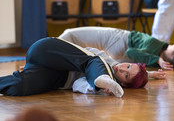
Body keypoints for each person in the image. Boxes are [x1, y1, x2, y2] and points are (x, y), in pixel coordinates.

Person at [0, 37, 165, 97]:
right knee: (95, 61)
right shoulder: (104, 59)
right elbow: (109, 63)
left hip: (53, 75)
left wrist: (97, 89)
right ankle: (102, 78)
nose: (122, 69)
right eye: (127, 66)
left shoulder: (97, 83)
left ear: (124, 84)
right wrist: (148, 74)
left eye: (126, 75)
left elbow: (79, 86)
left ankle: (101, 81)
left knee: (20, 86)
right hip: (47, 51)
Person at [59, 26, 174, 70]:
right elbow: (132, 52)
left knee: (70, 37)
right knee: (70, 36)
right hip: (118, 41)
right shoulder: (156, 47)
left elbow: (131, 54)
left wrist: (157, 61)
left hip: (116, 42)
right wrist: (157, 60)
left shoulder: (157, 51)